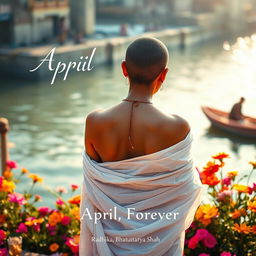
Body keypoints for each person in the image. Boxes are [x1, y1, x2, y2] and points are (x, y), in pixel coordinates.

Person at [80, 37, 203, 256]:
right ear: (164, 75)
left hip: (104, 243)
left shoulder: (94, 122)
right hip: (160, 244)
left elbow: (94, 186)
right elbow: (186, 189)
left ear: (124, 69)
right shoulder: (177, 127)